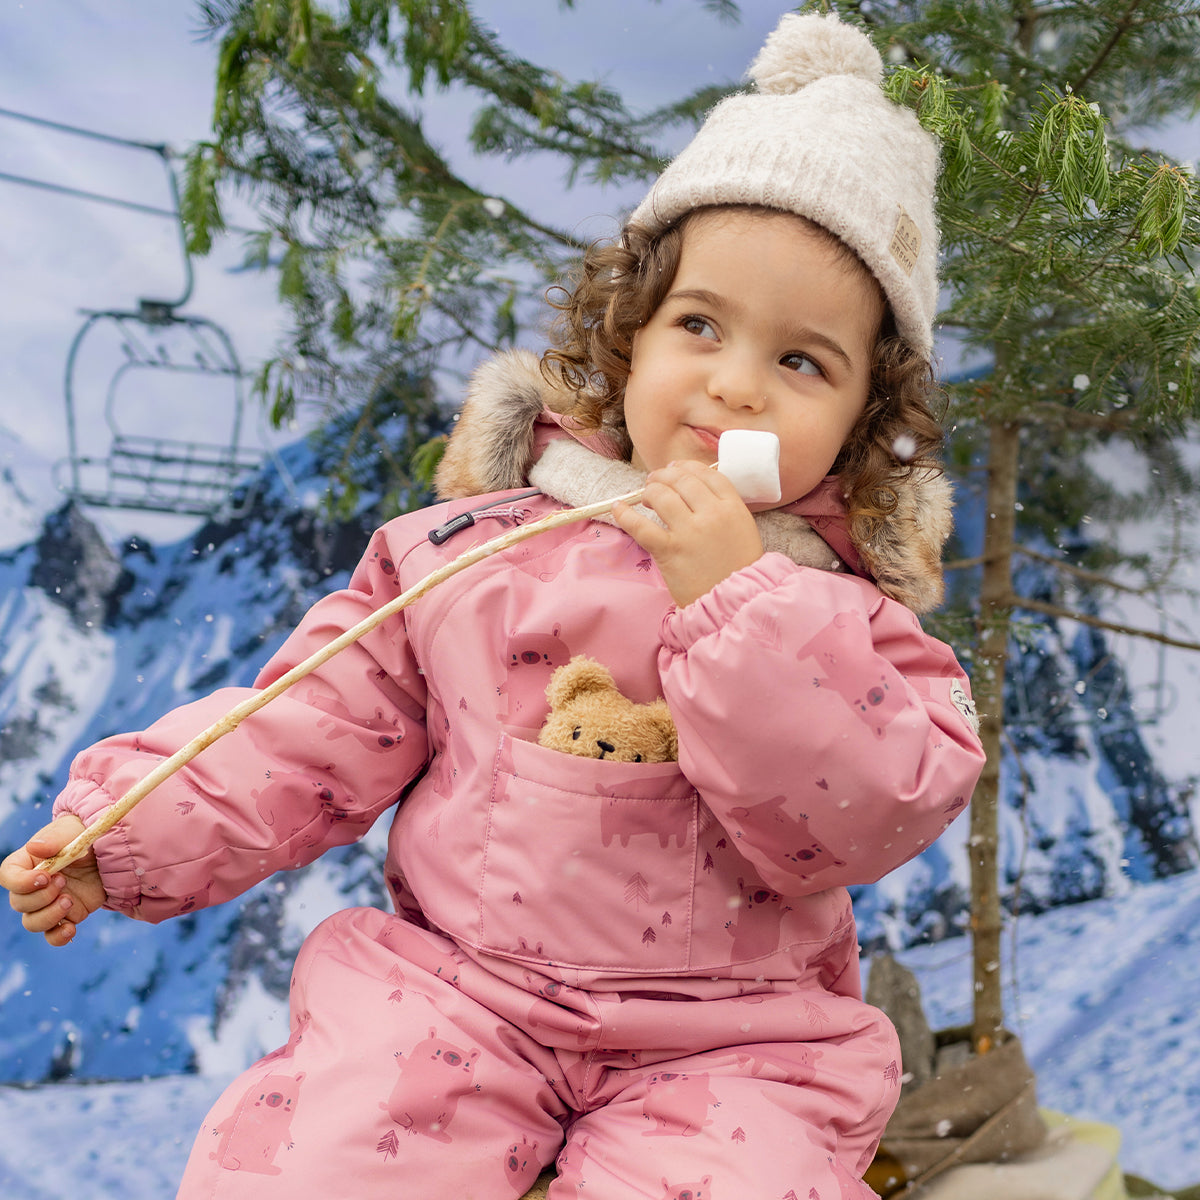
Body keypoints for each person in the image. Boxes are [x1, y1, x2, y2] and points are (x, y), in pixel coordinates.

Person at [1, 12, 985, 1199]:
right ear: (629, 338)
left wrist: (740, 603)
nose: (735, 384)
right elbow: (309, 723)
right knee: (315, 1160)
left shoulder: (849, 616)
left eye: (802, 362)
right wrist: (129, 834)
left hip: (733, 1045)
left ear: (862, 420)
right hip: (461, 998)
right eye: (699, 325)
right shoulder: (474, 550)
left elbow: (868, 813)